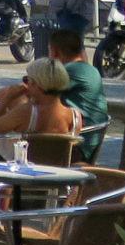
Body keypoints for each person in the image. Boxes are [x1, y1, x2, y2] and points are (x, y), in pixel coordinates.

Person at [0, 57, 82, 161]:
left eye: (27, 80)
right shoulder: (75, 116)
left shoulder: (27, 112)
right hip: (56, 175)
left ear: (36, 84)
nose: (26, 84)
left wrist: (6, 99)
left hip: (21, 175)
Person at [47, 26, 109, 161]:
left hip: (76, 145)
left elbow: (40, 92)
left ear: (56, 53)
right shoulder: (90, 69)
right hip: (89, 138)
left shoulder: (69, 70)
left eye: (49, 51)